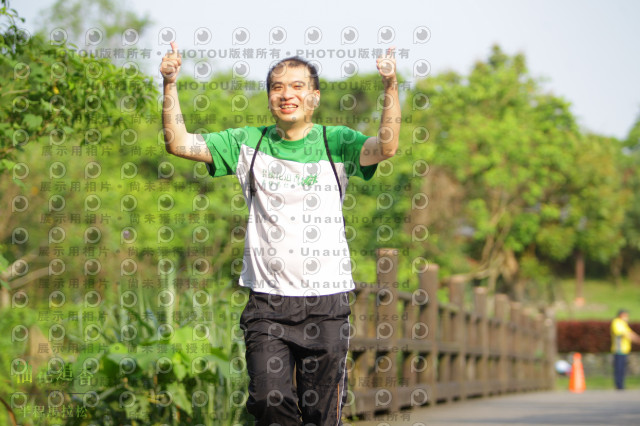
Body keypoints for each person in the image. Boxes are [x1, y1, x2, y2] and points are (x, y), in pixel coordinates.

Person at [160, 42, 401, 425]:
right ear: (270, 97)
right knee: (268, 400)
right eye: (277, 87)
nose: (287, 94)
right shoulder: (247, 143)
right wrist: (170, 84)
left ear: (314, 97)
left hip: (327, 304)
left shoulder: (337, 141)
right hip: (267, 304)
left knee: (322, 415)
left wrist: (390, 86)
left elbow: (386, 146)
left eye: (297, 86)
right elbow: (179, 143)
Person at [610, 309, 640, 390]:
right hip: (618, 349)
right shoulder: (616, 322)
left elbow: (630, 333)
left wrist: (637, 339)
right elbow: (625, 334)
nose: (627, 317)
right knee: (619, 368)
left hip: (624, 350)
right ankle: (619, 385)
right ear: (621, 315)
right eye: (625, 315)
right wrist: (637, 339)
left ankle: (621, 385)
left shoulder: (623, 324)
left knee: (622, 368)